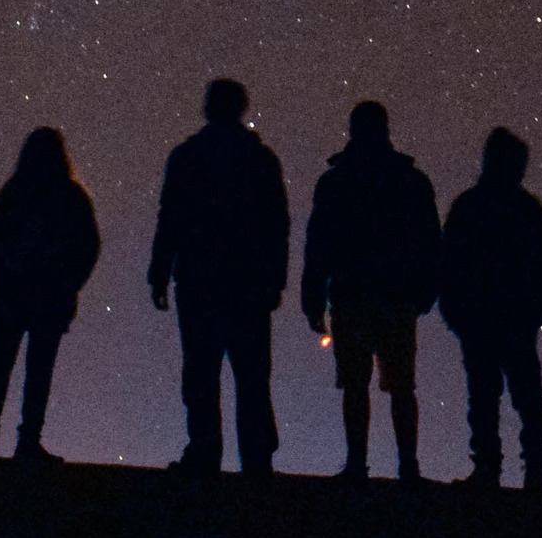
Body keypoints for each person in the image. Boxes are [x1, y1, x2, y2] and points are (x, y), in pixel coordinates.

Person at [149, 79, 290, 480]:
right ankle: (257, 461)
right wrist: (274, 279)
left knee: (201, 373)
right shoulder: (259, 159)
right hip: (247, 284)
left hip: (200, 281)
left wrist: (160, 270)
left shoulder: (188, 157)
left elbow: (170, 217)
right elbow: (277, 224)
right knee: (251, 375)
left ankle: (204, 453)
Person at [302, 101, 441, 483]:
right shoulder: (409, 180)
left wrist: (313, 297)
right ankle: (407, 468)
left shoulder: (337, 181)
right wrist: (427, 289)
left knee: (356, 383)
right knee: (400, 385)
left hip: (352, 294)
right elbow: (430, 239)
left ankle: (356, 465)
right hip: (396, 296)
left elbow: (319, 243)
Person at [0, 127, 101, 465]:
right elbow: (88, 247)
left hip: (17, 298)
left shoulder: (15, 194)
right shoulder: (70, 197)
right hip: (44, 300)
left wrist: (0, 287)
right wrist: (68, 285)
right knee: (35, 373)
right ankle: (25, 442)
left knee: (2, 368)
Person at [440, 127, 542, 492]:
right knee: (518, 396)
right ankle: (527, 470)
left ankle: (491, 469)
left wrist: (456, 312)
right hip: (506, 319)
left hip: (486, 319)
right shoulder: (526, 210)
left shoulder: (469, 206)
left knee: (489, 396)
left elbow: (449, 265)